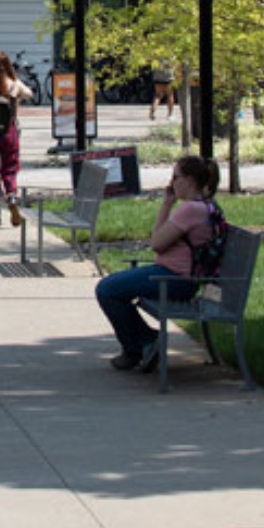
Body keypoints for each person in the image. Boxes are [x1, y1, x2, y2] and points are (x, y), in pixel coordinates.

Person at [96, 155, 222, 372]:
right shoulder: (206, 206)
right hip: (175, 276)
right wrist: (167, 203)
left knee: (107, 289)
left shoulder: (191, 210)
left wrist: (167, 206)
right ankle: (140, 346)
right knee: (112, 288)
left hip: (173, 279)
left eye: (176, 177)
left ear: (190, 180)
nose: (171, 183)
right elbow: (159, 240)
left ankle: (143, 344)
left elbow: (156, 243)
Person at [0, 50, 33, 227]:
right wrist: (16, 92)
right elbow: (30, 93)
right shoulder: (14, 84)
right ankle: (11, 196)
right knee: (9, 168)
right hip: (10, 132)